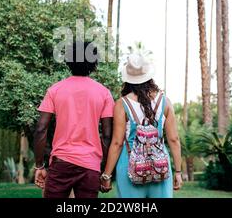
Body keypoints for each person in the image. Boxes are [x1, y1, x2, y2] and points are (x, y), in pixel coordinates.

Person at [33, 41, 114, 198]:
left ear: (68, 61)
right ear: (94, 63)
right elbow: (107, 135)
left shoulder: (55, 90)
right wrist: (103, 170)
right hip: (90, 165)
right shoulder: (104, 93)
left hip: (61, 163)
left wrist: (39, 166)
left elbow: (41, 129)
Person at [100, 52, 183, 197]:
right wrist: (178, 172)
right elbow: (174, 139)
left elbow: (118, 143)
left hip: (129, 166)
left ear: (128, 79)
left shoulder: (122, 104)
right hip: (160, 166)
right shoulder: (165, 102)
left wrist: (106, 175)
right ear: (149, 76)